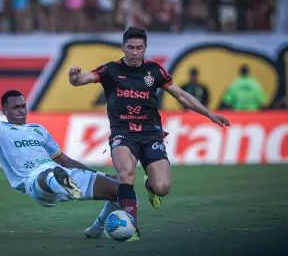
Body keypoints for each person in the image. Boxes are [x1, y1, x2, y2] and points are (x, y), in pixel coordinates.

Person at [69, 26, 230, 241]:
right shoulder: (110, 70)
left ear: (145, 48)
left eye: (139, 48)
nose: (135, 52)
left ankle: (150, 185)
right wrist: (75, 78)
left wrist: (209, 114)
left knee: (162, 187)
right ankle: (132, 228)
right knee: (125, 173)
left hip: (151, 133)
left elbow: (181, 95)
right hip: (122, 133)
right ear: (123, 47)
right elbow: (82, 80)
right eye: (130, 47)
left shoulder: (155, 71)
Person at [0, 90, 132, 240]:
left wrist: (99, 174)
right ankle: (63, 184)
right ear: (4, 111)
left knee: (120, 189)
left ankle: (96, 229)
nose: (21, 110)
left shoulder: (39, 130)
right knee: (50, 173)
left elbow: (65, 160)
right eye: (15, 107)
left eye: (23, 106)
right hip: (33, 182)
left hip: (62, 171)